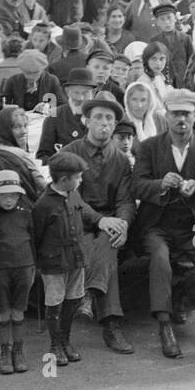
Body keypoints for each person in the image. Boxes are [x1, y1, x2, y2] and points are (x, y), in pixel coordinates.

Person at [130, 88, 195, 359]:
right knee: (159, 260)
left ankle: (180, 295)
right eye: (175, 114)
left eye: (186, 114)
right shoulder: (149, 147)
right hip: (159, 224)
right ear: (166, 116)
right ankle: (165, 324)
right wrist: (160, 184)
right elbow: (136, 185)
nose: (181, 119)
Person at [59, 100, 137, 354]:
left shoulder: (121, 159)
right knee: (103, 243)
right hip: (74, 220)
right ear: (86, 121)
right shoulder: (69, 153)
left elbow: (126, 200)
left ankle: (90, 294)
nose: (104, 123)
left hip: (109, 222)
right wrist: (100, 220)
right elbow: (69, 197)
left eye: (110, 120)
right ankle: (111, 324)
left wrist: (123, 223)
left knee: (109, 240)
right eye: (99, 117)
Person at [32, 152, 96, 366]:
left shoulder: (74, 195)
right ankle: (55, 344)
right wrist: (38, 264)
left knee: (73, 300)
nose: (80, 180)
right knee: (55, 303)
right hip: (54, 263)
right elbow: (36, 236)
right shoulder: (43, 205)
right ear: (63, 179)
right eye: (77, 177)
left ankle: (65, 340)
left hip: (76, 258)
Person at [0, 170, 34, 375]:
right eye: (3, 195)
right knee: (3, 312)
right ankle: (4, 352)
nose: (8, 199)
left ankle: (18, 351)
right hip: (0, 270)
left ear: (19, 195)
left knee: (18, 311)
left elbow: (33, 242)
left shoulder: (26, 215)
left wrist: (33, 269)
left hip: (24, 268)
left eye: (13, 195)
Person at [0, 105, 47, 202]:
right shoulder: (18, 155)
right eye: (17, 127)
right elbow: (43, 187)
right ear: (4, 129)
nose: (24, 131)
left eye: (25, 126)